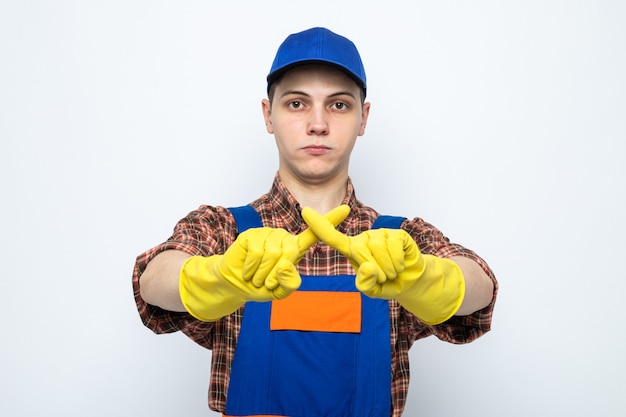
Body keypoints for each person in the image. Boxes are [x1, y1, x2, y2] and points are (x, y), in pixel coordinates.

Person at [133, 27, 498, 417]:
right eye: (296, 104)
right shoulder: (225, 230)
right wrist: (216, 277)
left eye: (339, 105)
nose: (318, 124)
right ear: (267, 114)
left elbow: (481, 286)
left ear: (364, 117)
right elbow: (153, 279)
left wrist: (427, 278)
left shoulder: (399, 242)